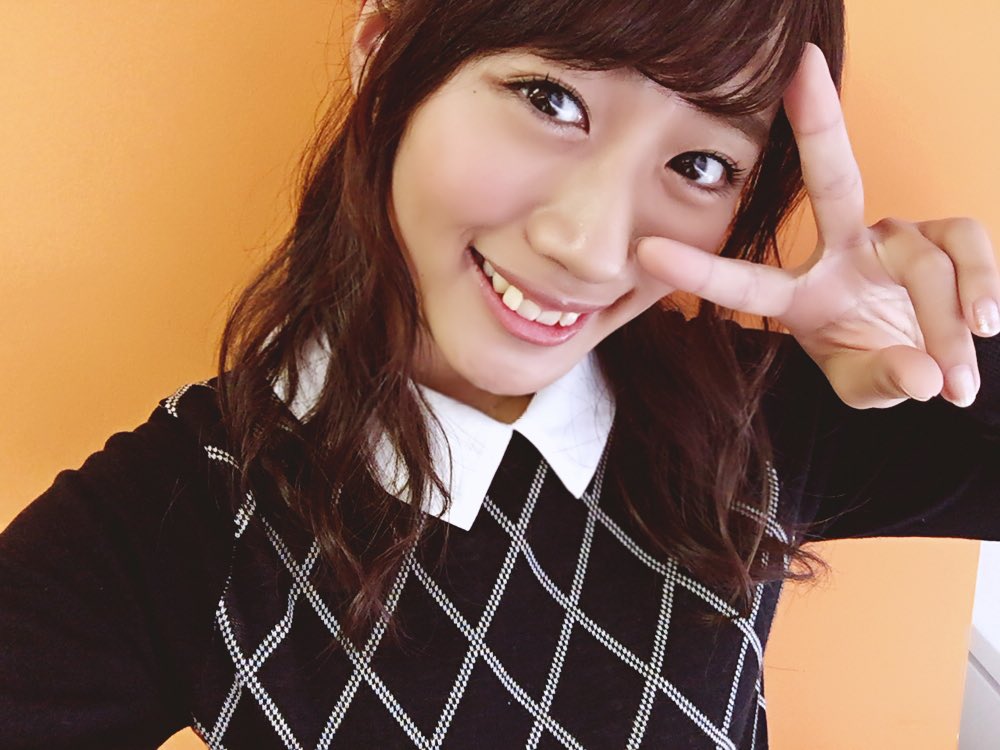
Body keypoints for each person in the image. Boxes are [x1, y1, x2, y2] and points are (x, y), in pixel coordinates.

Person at [1, 0, 997, 747]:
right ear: (384, 52)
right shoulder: (174, 520)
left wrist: (956, 350)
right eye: (550, 99)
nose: (590, 248)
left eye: (699, 165)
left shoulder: (746, 414)